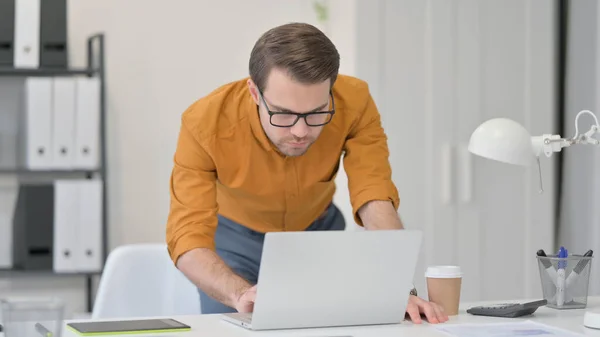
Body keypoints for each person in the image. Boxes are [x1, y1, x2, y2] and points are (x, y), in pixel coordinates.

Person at [165, 22, 448, 324]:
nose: (300, 131)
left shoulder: (355, 101)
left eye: (316, 113)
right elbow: (188, 237)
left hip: (317, 234)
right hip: (234, 243)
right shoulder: (204, 123)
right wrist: (238, 294)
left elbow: (374, 195)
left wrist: (393, 285)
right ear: (255, 92)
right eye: (283, 113)